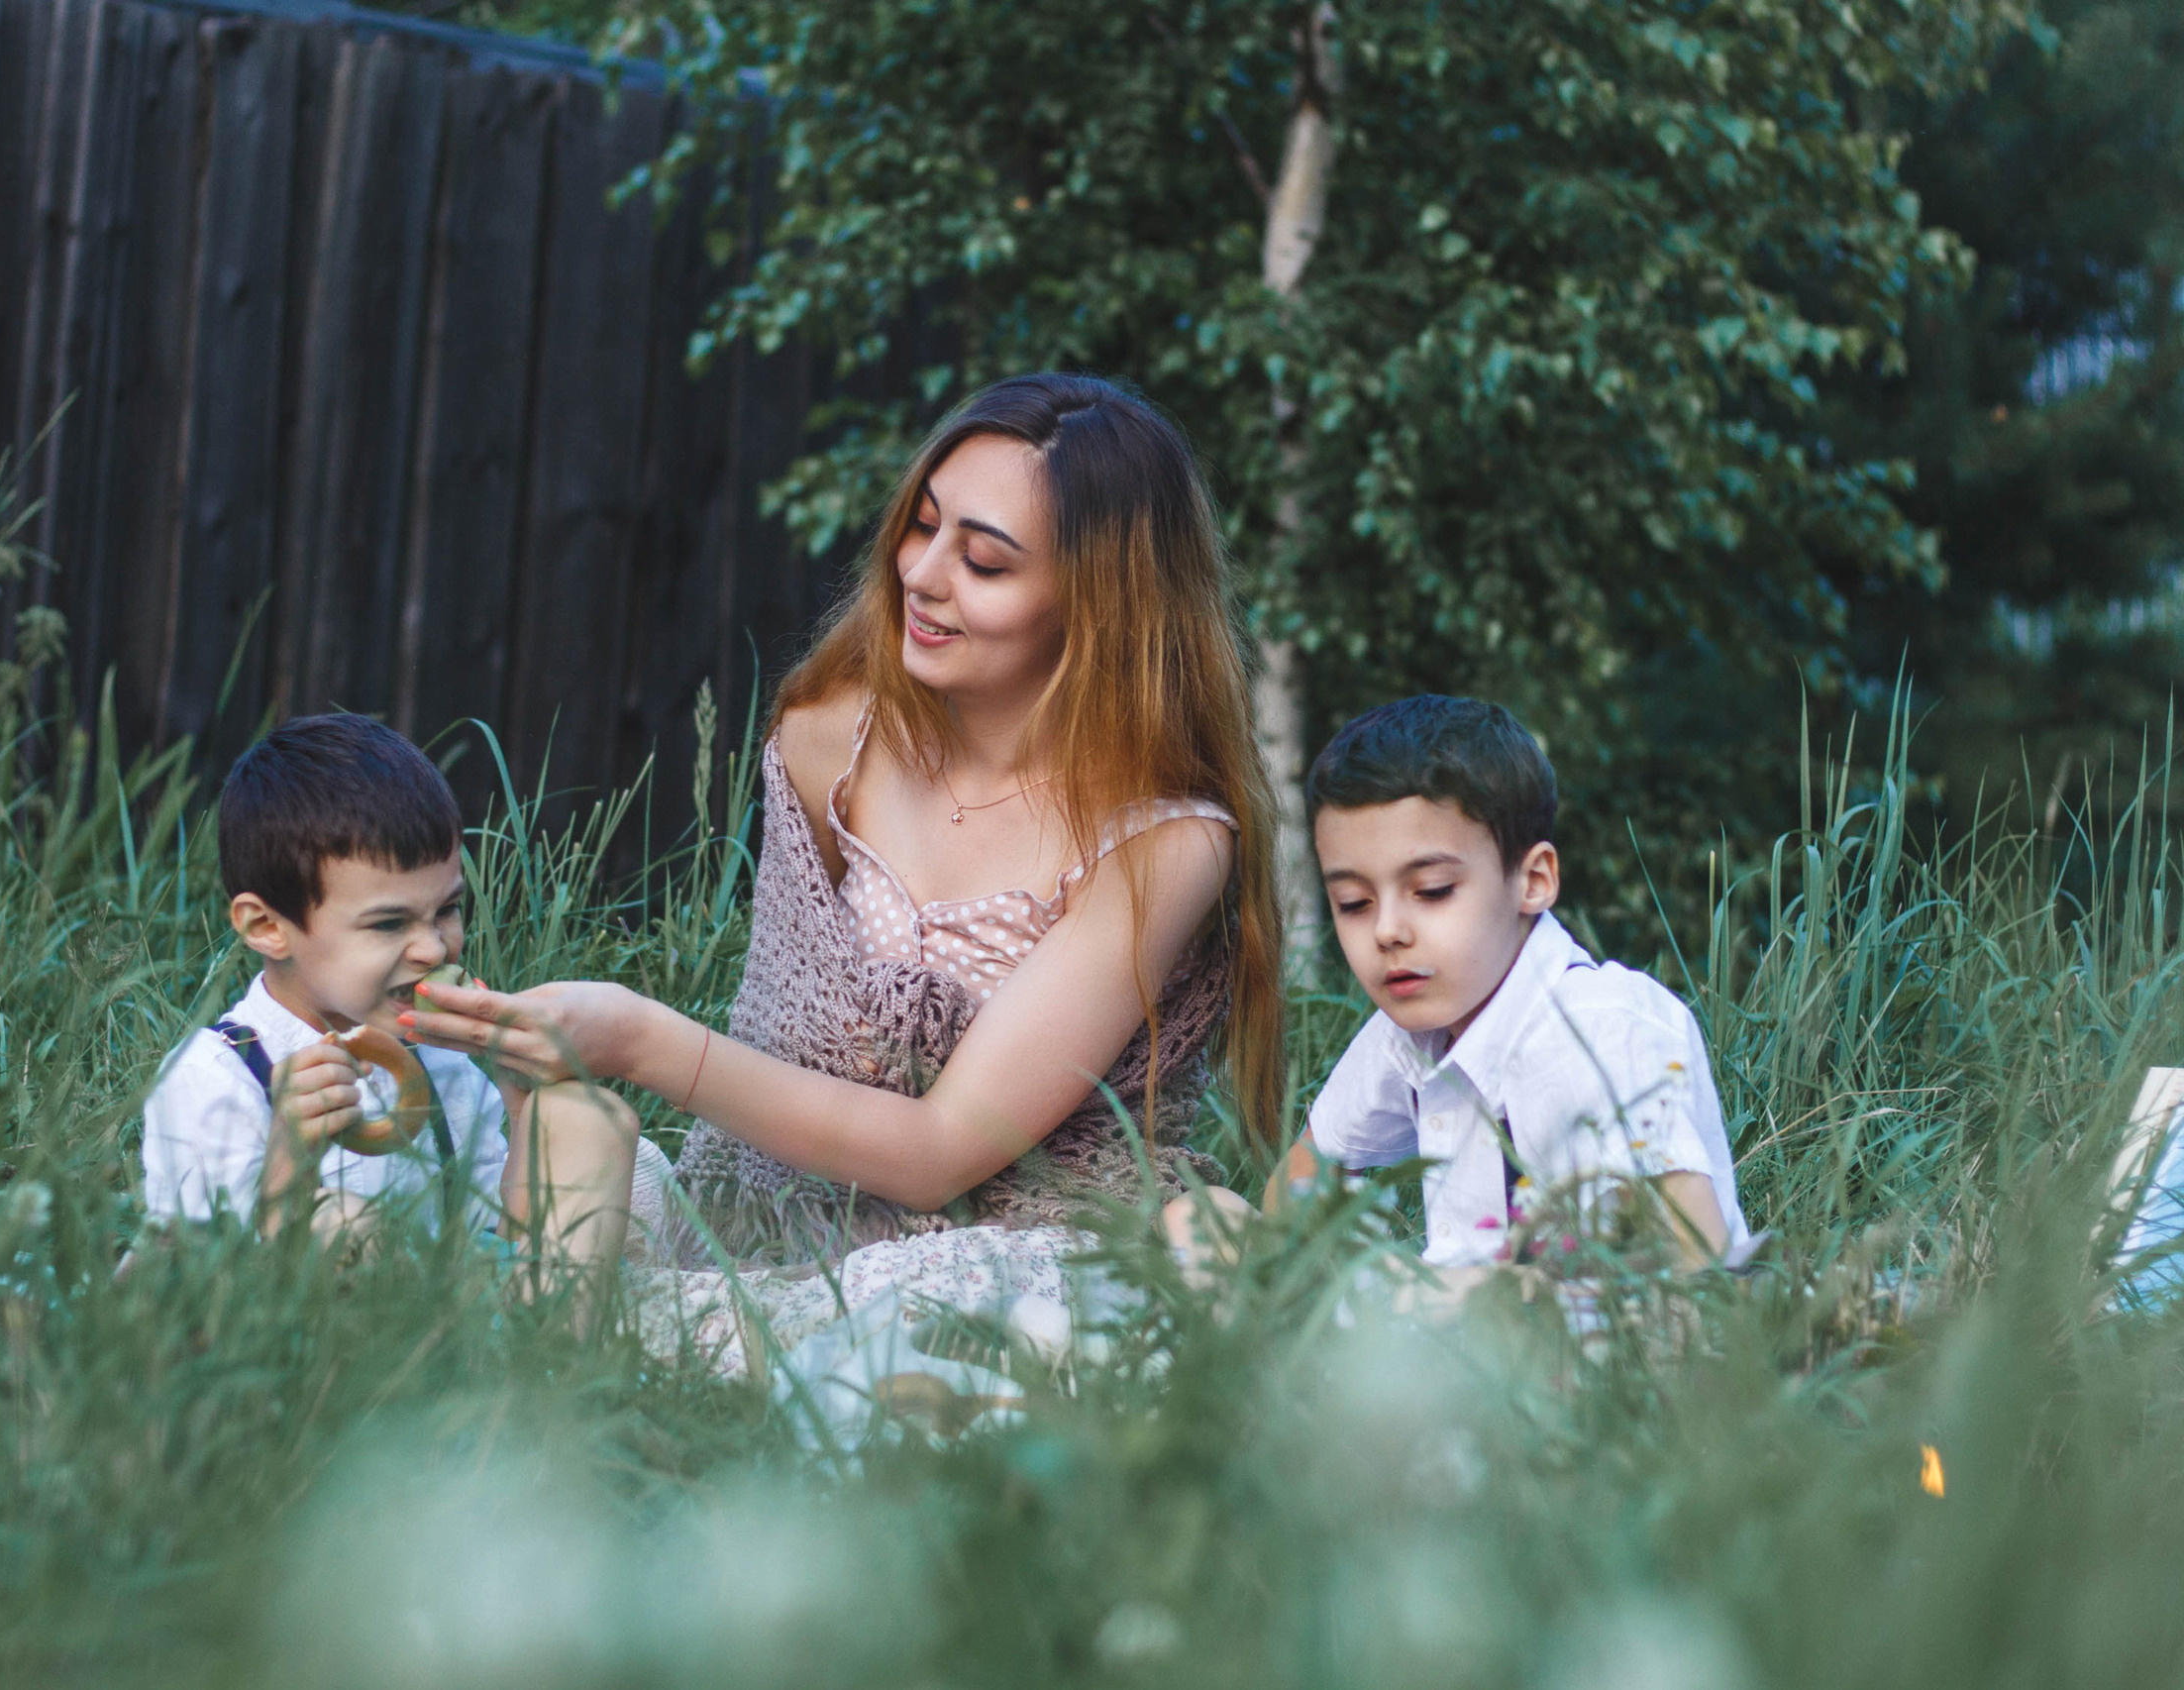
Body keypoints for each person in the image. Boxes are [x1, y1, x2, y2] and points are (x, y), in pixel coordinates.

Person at [402, 373, 1285, 1363]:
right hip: (789, 1196)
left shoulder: (1164, 842)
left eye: (985, 560)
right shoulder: (829, 742)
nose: (923, 572)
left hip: (1025, 1229)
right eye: (923, 524)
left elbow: (944, 1151)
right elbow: (783, 1032)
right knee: (586, 1152)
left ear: (1100, 604)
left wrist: (640, 1037)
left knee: (985, 1309)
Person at [1277, 695, 1751, 1298]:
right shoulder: (1414, 1029)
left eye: (1432, 890)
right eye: (1353, 903)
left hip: (1595, 1355)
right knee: (1201, 1217)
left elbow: (1691, 1271)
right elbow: (1299, 1180)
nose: (1386, 930)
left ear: (1532, 881)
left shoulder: (1598, 1028)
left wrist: (1462, 1295)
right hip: (1463, 1355)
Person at [142, 713, 637, 1273]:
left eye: (446, 910)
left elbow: (492, 1241)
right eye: (388, 924)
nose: (432, 948)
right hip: (305, 1342)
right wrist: (290, 1162)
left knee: (591, 1119)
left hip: (461, 1332)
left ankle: (552, 1347)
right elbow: (191, 1283)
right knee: (342, 1224)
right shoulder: (220, 1077)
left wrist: (522, 1113)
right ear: (267, 927)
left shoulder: (442, 1061)